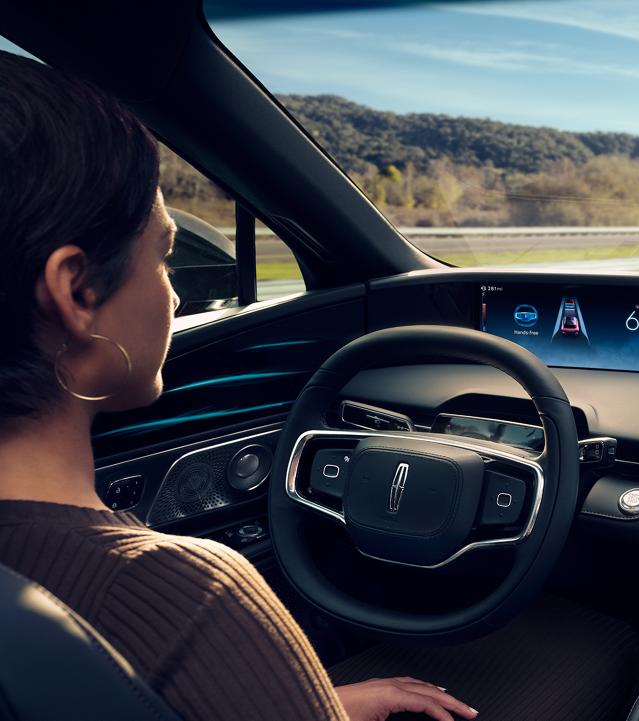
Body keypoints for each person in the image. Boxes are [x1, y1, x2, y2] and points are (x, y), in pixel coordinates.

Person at [0, 51, 477, 721]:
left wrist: (310, 706)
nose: (173, 292)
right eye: (164, 255)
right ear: (77, 291)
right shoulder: (186, 598)